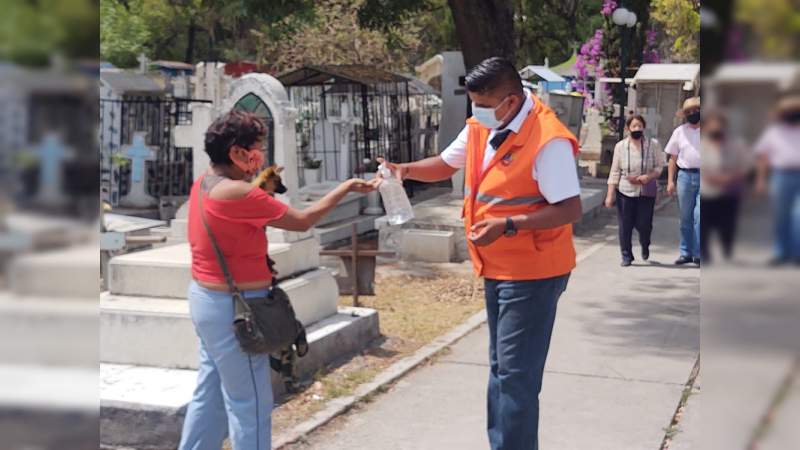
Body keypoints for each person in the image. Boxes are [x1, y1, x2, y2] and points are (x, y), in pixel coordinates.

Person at [379, 57, 582, 450]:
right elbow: (444, 163)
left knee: (515, 376)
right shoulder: (481, 127)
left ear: (509, 101)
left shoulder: (547, 139)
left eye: (484, 105)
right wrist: (403, 170)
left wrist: (508, 225)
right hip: (497, 267)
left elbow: (568, 208)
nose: (477, 112)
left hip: (533, 272)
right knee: (502, 370)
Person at [179, 110, 377, 450]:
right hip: (239, 311)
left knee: (210, 396)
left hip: (208, 301)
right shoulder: (242, 194)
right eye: (255, 148)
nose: (260, 157)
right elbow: (302, 221)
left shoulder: (204, 184)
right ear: (236, 153)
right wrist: (344, 188)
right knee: (251, 405)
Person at [605, 115, 664, 266]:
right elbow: (615, 171)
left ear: (644, 128)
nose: (637, 129)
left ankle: (645, 243)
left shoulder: (653, 145)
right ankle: (626, 255)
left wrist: (649, 176)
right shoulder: (620, 146)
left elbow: (659, 166)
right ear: (628, 129)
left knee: (644, 224)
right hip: (625, 190)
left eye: (640, 126)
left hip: (645, 190)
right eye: (634, 126)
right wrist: (610, 194)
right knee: (625, 224)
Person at [754, 91, 800, 265]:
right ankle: (781, 252)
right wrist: (760, 180)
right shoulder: (773, 132)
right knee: (781, 216)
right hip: (781, 176)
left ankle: (797, 253)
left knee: (798, 216)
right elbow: (763, 157)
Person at [700, 110, 750, 263]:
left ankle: (727, 250)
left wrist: (730, 178)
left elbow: (746, 166)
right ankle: (705, 254)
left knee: (727, 225)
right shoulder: (702, 145)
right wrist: (714, 178)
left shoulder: (737, 145)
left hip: (730, 191)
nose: (716, 129)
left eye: (719, 125)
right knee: (705, 225)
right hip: (707, 191)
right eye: (712, 125)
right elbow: (701, 167)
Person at [665, 96, 702, 265]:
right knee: (685, 216)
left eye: (696, 110)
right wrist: (670, 181)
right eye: (689, 112)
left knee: (700, 216)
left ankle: (699, 253)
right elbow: (672, 159)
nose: (693, 113)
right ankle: (685, 252)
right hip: (685, 176)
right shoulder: (679, 132)